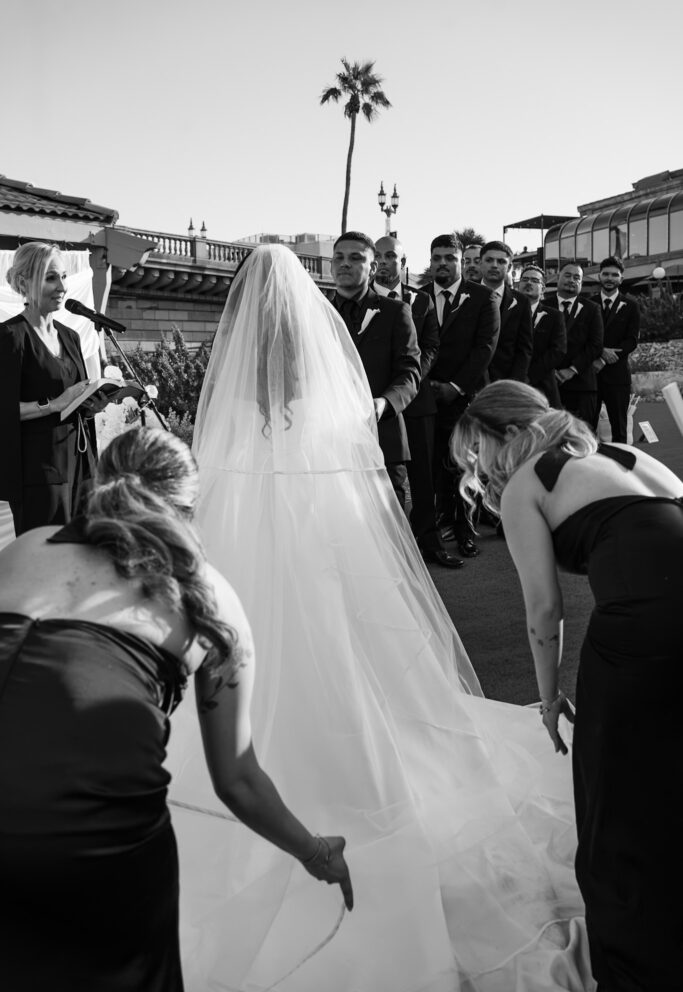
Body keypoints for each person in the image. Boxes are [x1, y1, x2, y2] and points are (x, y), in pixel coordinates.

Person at [168, 244, 591, 992]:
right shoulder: (323, 363)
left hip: (247, 531)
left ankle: (249, 755)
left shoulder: (233, 378)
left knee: (249, 641)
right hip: (316, 528)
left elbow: (217, 460)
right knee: (341, 649)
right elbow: (342, 454)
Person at [0, 426, 352, 992]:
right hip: (95, 850)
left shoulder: (26, 546)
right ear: (187, 508)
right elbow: (237, 779)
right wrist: (314, 852)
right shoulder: (204, 593)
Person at [452, 379, 683, 992]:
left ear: (503, 435)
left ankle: (639, 960)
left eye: (474, 452)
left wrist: (549, 697)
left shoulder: (530, 480)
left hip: (641, 628)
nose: (477, 468)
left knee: (615, 793)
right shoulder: (624, 454)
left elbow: (542, 610)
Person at [0, 242, 101, 535]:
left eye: (64, 277)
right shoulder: (9, 337)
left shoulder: (71, 337)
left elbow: (75, 397)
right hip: (39, 473)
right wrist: (55, 404)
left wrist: (92, 403)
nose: (62, 287)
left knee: (80, 560)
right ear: (23, 283)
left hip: (82, 467)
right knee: (45, 564)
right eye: (50, 277)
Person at [374, 235, 461, 567]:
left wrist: (410, 381)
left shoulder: (422, 302)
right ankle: (391, 546)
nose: (384, 262)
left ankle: (429, 541)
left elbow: (432, 346)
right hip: (379, 406)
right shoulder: (362, 304)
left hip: (419, 402)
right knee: (386, 477)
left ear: (403, 262)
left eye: (391, 256)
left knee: (424, 477)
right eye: (378, 256)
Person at [421, 233, 499, 557]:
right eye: (437, 258)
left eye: (449, 258)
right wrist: (426, 386)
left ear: (462, 261)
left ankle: (466, 530)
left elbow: (485, 349)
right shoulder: (419, 297)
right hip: (424, 396)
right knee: (431, 466)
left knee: (463, 466)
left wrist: (454, 387)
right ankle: (439, 523)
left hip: (464, 396)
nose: (443, 263)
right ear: (430, 260)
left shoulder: (482, 298)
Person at [329, 231, 420, 509]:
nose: (345, 264)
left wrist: (385, 403)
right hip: (329, 444)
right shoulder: (316, 313)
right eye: (339, 258)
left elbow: (410, 373)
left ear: (373, 268)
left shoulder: (396, 312)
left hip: (384, 438)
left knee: (389, 523)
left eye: (356, 258)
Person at [592, 256, 640, 442]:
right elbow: (582, 338)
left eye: (614, 275)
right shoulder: (588, 304)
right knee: (586, 427)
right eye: (606, 274)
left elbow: (632, 341)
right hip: (591, 375)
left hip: (618, 376)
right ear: (599, 276)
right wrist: (600, 351)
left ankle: (621, 467)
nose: (610, 278)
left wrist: (604, 358)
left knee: (620, 429)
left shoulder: (631, 306)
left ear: (621, 278)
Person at [549, 263, 603, 426]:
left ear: (581, 283)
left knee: (583, 439)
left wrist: (571, 370)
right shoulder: (544, 306)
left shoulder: (592, 309)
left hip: (581, 385)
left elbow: (595, 345)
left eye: (576, 277)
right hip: (549, 384)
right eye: (567, 275)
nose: (571, 280)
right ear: (558, 277)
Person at [479, 240, 533, 383]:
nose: (494, 265)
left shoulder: (521, 302)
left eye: (501, 261)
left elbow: (524, 348)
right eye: (489, 260)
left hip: (506, 382)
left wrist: (514, 383)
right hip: (467, 385)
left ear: (509, 267)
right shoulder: (466, 294)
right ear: (480, 263)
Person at [519, 265, 567, 408]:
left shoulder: (554, 316)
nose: (529, 283)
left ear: (543, 289)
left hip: (543, 386)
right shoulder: (506, 312)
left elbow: (558, 351)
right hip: (510, 385)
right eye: (525, 279)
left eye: (534, 280)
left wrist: (529, 376)